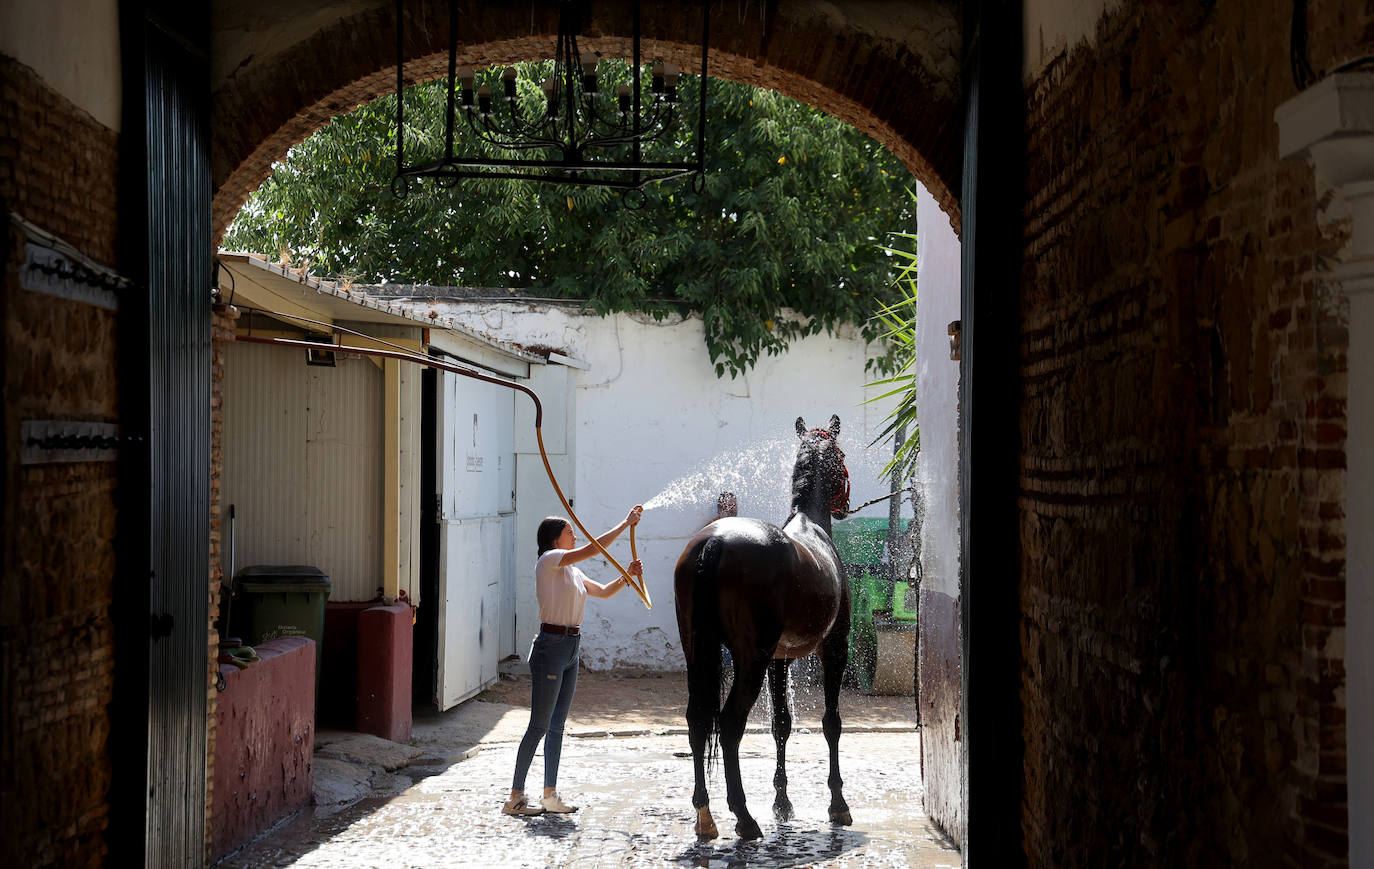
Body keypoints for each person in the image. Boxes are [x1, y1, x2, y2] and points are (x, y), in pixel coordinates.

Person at [502, 505, 645, 817]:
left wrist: (627, 576)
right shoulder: (549, 560)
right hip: (550, 646)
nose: (575, 535)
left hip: (571, 646)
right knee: (538, 725)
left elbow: (605, 592)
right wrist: (625, 523)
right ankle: (514, 797)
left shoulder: (574, 571)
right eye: (569, 532)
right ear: (555, 540)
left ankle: (550, 795)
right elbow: (593, 548)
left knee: (557, 725)